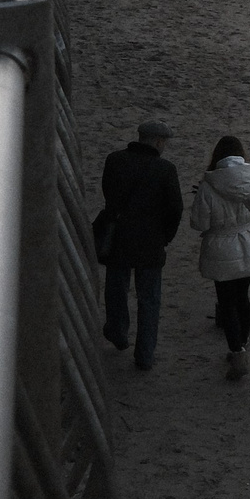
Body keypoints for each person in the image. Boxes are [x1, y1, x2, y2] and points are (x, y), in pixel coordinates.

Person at [98, 120, 183, 370]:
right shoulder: (165, 169)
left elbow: (108, 195)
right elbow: (175, 208)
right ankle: (145, 354)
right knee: (149, 298)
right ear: (158, 142)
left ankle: (117, 331)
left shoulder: (115, 160)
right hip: (151, 240)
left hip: (118, 235)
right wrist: (166, 235)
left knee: (116, 287)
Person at [189, 136, 250, 381]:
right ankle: (241, 345)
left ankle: (237, 351)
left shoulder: (208, 184)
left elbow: (199, 223)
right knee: (242, 298)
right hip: (248, 242)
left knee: (226, 302)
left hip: (221, 247)